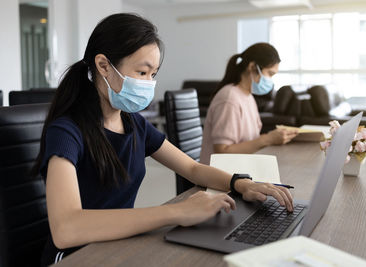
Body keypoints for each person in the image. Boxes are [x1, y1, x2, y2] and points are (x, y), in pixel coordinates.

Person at [32, 14, 293, 266]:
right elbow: (66, 228)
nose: (149, 83)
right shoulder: (66, 131)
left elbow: (191, 168)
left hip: (119, 245)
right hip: (77, 256)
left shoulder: (134, 123)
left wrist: (240, 183)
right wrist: (175, 211)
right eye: (142, 72)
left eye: (153, 74)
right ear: (103, 66)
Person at [200, 43, 298, 165]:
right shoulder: (229, 98)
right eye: (270, 73)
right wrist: (267, 139)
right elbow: (222, 152)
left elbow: (249, 141)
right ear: (252, 67)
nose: (270, 80)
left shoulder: (248, 96)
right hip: (219, 177)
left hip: (242, 168)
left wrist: (273, 137)